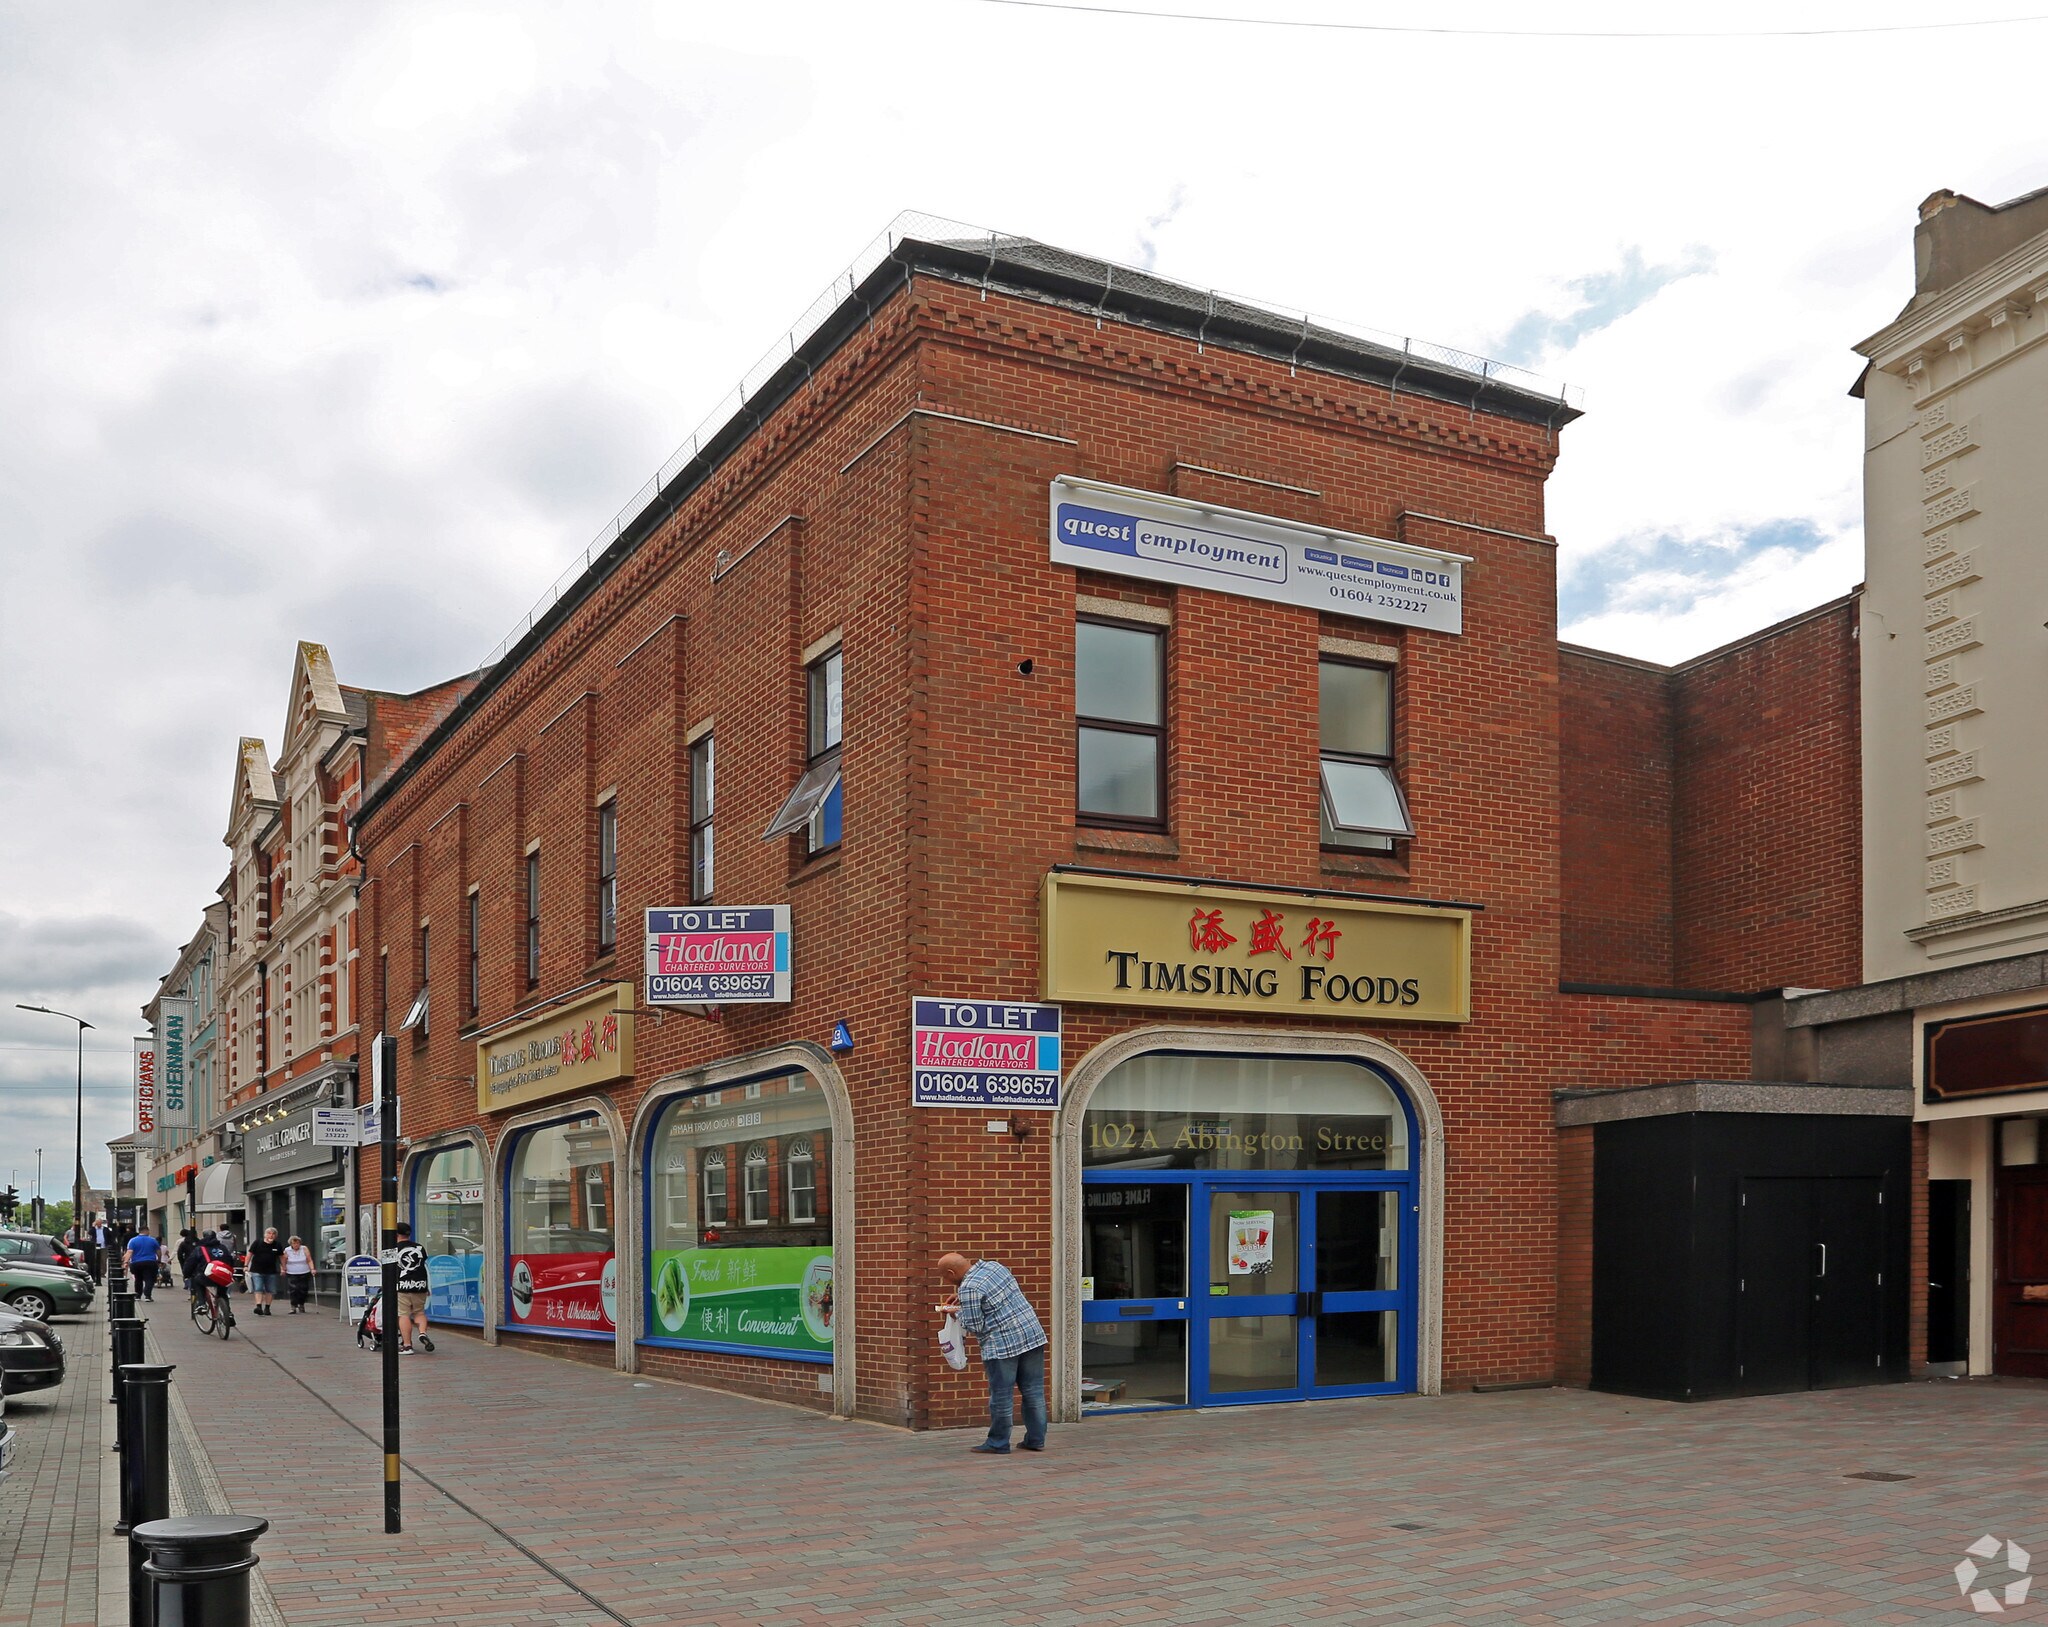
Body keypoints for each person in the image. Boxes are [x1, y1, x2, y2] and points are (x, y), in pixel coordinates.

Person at [936, 1251, 1048, 1455]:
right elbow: (993, 1295)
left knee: (1002, 1395)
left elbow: (974, 1325)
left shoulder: (969, 1287)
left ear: (951, 1272)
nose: (946, 1280)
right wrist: (962, 1297)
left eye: (945, 1276)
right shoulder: (995, 1266)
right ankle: (1036, 1439)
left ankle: (998, 1443)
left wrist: (955, 1312)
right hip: (1032, 1335)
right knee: (1034, 1391)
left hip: (1001, 1346)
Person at [392, 1222, 433, 1353]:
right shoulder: (420, 1248)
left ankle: (407, 1345)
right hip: (420, 1285)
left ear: (396, 1234)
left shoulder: (392, 1249)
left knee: (403, 1315)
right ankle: (422, 1333)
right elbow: (422, 1265)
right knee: (419, 1312)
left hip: (402, 1286)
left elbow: (389, 1269)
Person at [245, 1227, 284, 1316]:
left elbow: (281, 1257)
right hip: (257, 1270)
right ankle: (258, 1306)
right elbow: (250, 1254)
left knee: (270, 1290)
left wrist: (283, 1268)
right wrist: (246, 1266)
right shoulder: (258, 1243)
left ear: (276, 1236)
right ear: (265, 1235)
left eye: (273, 1234)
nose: (271, 1236)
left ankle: (267, 1308)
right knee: (258, 1288)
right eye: (269, 1233)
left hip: (271, 1271)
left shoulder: (277, 1245)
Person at [124, 1229, 162, 1300]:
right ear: (147, 1231)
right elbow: (158, 1252)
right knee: (149, 1279)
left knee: (138, 1279)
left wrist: (126, 1262)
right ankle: (147, 1295)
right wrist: (159, 1260)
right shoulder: (153, 1240)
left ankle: (138, 1295)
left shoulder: (132, 1240)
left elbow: (129, 1252)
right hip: (150, 1262)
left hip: (136, 1263)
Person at [282, 1235, 315, 1312]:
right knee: (294, 1289)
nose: (296, 1245)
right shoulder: (287, 1250)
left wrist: (312, 1269)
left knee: (303, 1289)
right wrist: (283, 1269)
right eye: (294, 1243)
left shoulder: (304, 1248)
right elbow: (283, 1261)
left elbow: (309, 1260)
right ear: (291, 1244)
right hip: (291, 1272)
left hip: (304, 1271)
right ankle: (293, 1306)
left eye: (297, 1243)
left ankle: (301, 1304)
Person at [175, 1228, 204, 1302]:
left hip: (189, 1263)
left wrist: (183, 1263)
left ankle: (192, 1294)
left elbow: (180, 1255)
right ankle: (199, 1295)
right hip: (200, 1263)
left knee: (191, 1278)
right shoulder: (200, 1242)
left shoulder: (184, 1243)